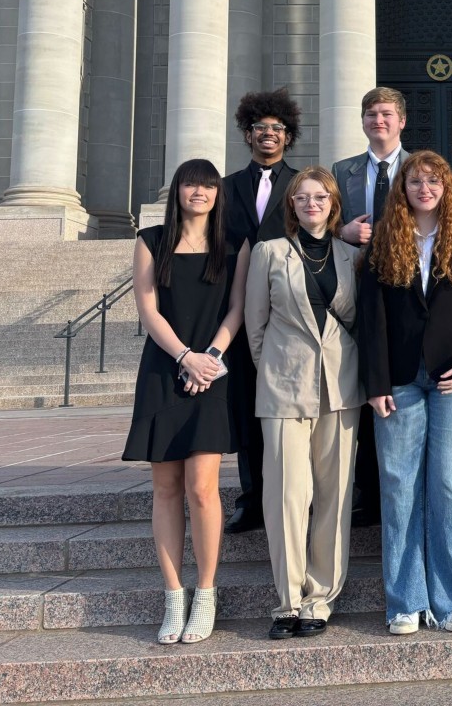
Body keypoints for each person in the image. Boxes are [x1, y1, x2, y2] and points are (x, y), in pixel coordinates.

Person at [361, 151, 452, 635]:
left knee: (451, 484)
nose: (425, 189)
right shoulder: (384, 241)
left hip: (451, 376)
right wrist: (375, 383)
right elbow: (372, 319)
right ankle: (405, 602)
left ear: (447, 188)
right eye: (416, 181)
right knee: (399, 487)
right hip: (398, 378)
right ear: (403, 188)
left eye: (434, 181)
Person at [123, 158, 250, 645]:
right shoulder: (151, 240)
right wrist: (184, 357)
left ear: (218, 193)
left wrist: (209, 358)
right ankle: (173, 595)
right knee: (166, 487)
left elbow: (237, 308)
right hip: (164, 369)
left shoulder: (234, 244)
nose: (200, 192)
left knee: (202, 488)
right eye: (191, 184)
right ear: (177, 190)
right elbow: (148, 309)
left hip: (212, 372)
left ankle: (207, 592)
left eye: (208, 185)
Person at [244, 166, 362, 640]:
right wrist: (277, 369)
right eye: (302, 197)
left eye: (321, 196)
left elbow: (357, 320)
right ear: (290, 205)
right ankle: (288, 599)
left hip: (340, 385)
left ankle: (321, 596)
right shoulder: (269, 252)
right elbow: (255, 326)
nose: (312, 203)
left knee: (335, 494)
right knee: (286, 494)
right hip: (284, 386)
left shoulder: (351, 255)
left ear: (334, 204)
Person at [222, 88, 301, 535]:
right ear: (247, 134)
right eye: (260, 128)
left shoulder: (303, 184)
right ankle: (251, 497)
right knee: (248, 404)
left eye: (277, 128)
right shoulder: (226, 187)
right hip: (239, 308)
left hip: (289, 308)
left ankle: (296, 495)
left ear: (288, 136)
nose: (268, 134)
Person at [332, 86, 410, 527]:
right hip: (355, 290)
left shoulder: (420, 168)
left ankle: (395, 484)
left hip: (406, 293)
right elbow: (323, 220)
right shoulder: (341, 170)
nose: (378, 120)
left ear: (402, 121)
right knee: (361, 386)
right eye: (370, 114)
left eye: (386, 114)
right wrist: (341, 232)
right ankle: (365, 487)